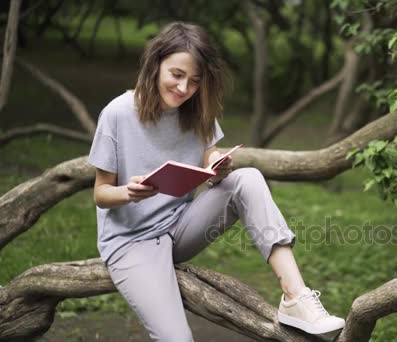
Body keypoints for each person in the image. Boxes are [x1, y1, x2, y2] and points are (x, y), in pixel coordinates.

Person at [88, 22, 345, 341]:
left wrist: (214, 163)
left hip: (178, 227)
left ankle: (295, 298)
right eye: (176, 75)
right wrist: (129, 192)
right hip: (131, 242)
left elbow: (208, 151)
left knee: (247, 178)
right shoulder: (117, 113)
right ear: (155, 65)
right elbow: (100, 194)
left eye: (194, 81)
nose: (184, 89)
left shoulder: (196, 110)